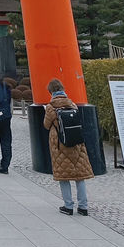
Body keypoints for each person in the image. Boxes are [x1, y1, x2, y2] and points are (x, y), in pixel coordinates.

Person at [44, 78, 93, 216]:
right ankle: (83, 207)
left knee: (64, 176)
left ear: (51, 92)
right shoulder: (72, 104)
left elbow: (46, 125)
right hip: (76, 143)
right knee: (79, 176)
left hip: (60, 144)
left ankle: (68, 205)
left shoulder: (51, 107)